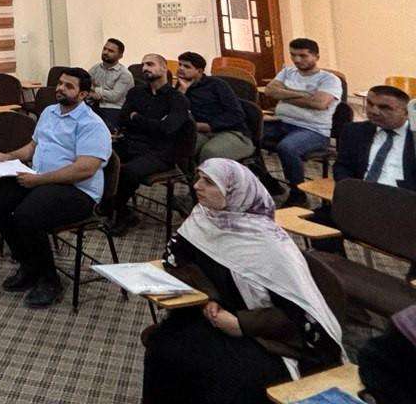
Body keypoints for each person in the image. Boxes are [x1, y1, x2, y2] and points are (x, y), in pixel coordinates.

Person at [141, 159, 344, 404]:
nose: (196, 186)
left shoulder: (269, 245)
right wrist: (210, 298)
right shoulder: (204, 219)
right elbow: (176, 260)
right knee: (163, 347)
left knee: (224, 379)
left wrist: (241, 323)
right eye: (198, 178)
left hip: (266, 336)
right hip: (218, 318)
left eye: (209, 182)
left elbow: (301, 318)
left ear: (234, 192)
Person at [0, 67, 111, 308]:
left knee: (27, 215)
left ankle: (50, 281)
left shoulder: (92, 124)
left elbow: (84, 169)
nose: (60, 88)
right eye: (60, 83)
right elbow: (32, 148)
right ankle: (28, 264)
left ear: (83, 95)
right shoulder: (49, 112)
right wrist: (9, 156)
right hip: (41, 179)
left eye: (69, 86)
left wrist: (40, 180)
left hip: (78, 191)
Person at [308, 84, 414, 259]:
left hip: (404, 206)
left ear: (406, 112)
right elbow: (342, 166)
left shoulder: (414, 138)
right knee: (318, 219)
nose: (374, 111)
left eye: (385, 107)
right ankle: (336, 264)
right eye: (370, 104)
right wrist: (352, 190)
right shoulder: (354, 131)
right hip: (362, 200)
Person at [109, 53, 191, 236]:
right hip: (131, 143)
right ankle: (117, 208)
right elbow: (123, 119)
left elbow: (167, 129)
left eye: (150, 64)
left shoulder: (177, 99)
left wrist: (137, 118)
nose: (145, 68)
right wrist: (152, 123)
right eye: (143, 65)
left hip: (160, 151)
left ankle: (119, 212)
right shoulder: (136, 93)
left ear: (164, 68)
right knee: (99, 157)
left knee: (128, 172)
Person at [261, 39, 342, 206]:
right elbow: (269, 91)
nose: (297, 60)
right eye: (293, 55)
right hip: (281, 122)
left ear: (316, 56)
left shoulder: (329, 79)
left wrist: (284, 93)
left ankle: (298, 193)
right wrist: (304, 95)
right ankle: (267, 180)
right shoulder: (287, 72)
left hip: (313, 130)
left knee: (287, 147)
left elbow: (319, 104)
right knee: (247, 133)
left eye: (303, 56)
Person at [176, 52, 254, 163]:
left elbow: (236, 114)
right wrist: (182, 92)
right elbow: (175, 113)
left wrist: (209, 126)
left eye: (187, 66)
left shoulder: (217, 85)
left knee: (210, 153)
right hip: (200, 132)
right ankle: (188, 174)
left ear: (199, 71)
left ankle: (206, 175)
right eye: (180, 65)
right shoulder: (181, 86)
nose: (181, 69)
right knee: (181, 147)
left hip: (231, 132)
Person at [90, 37, 134, 129]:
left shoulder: (124, 74)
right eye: (105, 49)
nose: (105, 52)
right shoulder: (96, 68)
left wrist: (94, 91)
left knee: (100, 128)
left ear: (120, 56)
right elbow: (85, 84)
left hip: (114, 108)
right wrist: (92, 93)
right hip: (94, 105)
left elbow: (114, 97)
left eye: (111, 51)